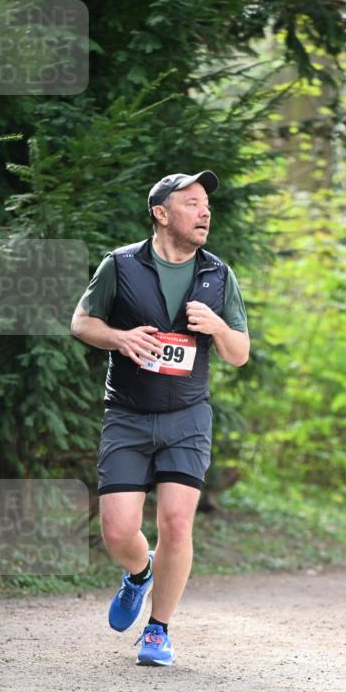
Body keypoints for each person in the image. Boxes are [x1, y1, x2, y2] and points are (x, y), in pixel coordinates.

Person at [71, 170, 250, 666]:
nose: (204, 211)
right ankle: (138, 573)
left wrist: (217, 326)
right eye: (191, 203)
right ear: (161, 213)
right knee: (117, 530)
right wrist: (119, 337)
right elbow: (82, 321)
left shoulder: (218, 275)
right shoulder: (122, 265)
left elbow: (239, 353)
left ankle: (158, 629)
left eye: (206, 204)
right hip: (127, 415)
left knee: (175, 522)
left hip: (187, 418)